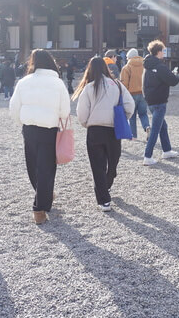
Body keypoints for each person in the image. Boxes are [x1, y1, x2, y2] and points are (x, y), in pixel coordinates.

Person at [9, 49, 70, 225]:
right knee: (46, 167)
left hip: (29, 128)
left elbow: (14, 107)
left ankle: (42, 194)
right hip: (49, 129)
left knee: (33, 165)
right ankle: (40, 207)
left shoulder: (24, 81)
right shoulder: (57, 83)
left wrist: (22, 122)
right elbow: (65, 111)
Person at [73, 57, 134, 212]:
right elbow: (130, 105)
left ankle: (103, 199)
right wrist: (122, 118)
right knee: (113, 161)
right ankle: (107, 184)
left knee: (97, 165)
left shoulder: (89, 88)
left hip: (95, 130)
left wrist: (87, 123)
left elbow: (81, 113)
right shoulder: (117, 85)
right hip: (113, 128)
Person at [142, 40, 179, 166]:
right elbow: (173, 81)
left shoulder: (146, 66)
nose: (163, 53)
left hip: (150, 101)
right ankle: (147, 156)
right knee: (155, 129)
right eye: (163, 51)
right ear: (158, 52)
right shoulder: (160, 67)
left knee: (163, 126)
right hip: (159, 101)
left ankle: (167, 150)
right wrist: (175, 74)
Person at [120, 48, 150, 139]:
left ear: (128, 57)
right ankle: (147, 126)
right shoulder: (145, 65)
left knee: (132, 115)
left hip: (131, 94)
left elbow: (124, 83)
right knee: (143, 113)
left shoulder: (126, 67)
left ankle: (133, 135)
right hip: (143, 93)